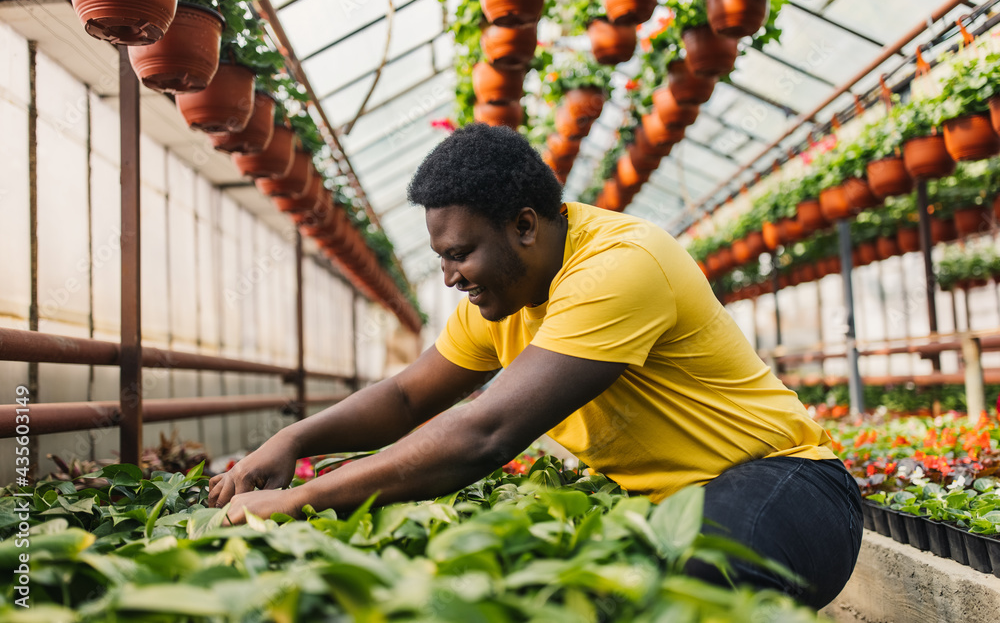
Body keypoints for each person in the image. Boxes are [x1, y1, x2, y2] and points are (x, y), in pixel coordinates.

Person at [208, 123, 862, 609]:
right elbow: (409, 397)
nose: (449, 278)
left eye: (459, 254)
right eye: (441, 257)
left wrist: (300, 497)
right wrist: (293, 439)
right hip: (673, 503)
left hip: (786, 487)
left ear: (525, 225)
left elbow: (484, 433)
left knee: (682, 587)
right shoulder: (500, 299)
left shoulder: (620, 266)